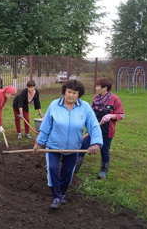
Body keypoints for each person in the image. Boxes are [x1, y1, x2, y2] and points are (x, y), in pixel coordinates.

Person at [33, 80, 103, 209]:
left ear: (79, 94)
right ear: (64, 92)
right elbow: (46, 125)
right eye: (69, 92)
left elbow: (93, 126)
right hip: (53, 146)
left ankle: (62, 193)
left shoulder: (85, 107)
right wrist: (39, 142)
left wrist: (96, 143)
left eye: (74, 93)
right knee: (53, 169)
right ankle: (55, 196)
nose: (71, 95)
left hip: (73, 147)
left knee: (67, 171)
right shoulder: (54, 105)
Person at [75, 77, 125, 179]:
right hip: (92, 129)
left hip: (106, 131)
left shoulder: (114, 99)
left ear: (105, 88)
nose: (96, 88)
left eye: (98, 86)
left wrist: (111, 116)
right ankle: (75, 166)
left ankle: (104, 170)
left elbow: (122, 114)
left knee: (104, 150)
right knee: (83, 145)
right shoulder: (95, 98)